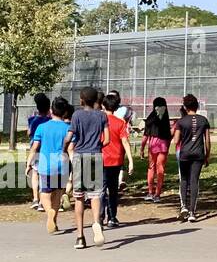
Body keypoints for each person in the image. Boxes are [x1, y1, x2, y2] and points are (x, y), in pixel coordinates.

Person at [65, 87, 108, 249]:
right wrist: (97, 146)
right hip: (95, 155)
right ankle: (97, 222)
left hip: (79, 156)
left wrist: (64, 148)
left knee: (79, 197)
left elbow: (69, 136)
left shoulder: (77, 115)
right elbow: (107, 139)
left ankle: (80, 236)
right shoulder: (101, 115)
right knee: (95, 194)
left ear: (82, 100)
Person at [29, 97, 72, 235]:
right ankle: (55, 222)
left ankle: (49, 214)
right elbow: (71, 149)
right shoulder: (68, 129)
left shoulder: (42, 127)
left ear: (51, 110)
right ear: (65, 112)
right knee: (57, 194)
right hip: (62, 165)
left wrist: (29, 163)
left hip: (46, 165)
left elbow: (34, 147)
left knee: (45, 193)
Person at [99, 91, 134, 228]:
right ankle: (112, 217)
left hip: (100, 158)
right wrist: (130, 160)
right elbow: (125, 141)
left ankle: (99, 217)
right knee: (113, 189)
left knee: (100, 189)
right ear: (116, 107)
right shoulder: (120, 122)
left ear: (103, 105)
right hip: (115, 160)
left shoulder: (99, 120)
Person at [174, 94, 211, 223]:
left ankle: (183, 206)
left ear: (185, 107)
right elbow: (207, 140)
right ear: (197, 106)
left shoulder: (181, 121)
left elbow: (176, 140)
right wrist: (207, 155)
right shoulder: (203, 120)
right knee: (194, 181)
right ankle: (192, 212)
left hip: (184, 154)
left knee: (184, 180)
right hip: (198, 154)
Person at [140, 98, 171, 202]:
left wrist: (142, 149)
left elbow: (145, 135)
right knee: (160, 168)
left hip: (153, 145)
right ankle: (157, 194)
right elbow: (169, 135)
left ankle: (150, 192)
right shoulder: (166, 118)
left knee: (151, 167)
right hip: (164, 145)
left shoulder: (151, 118)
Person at [25, 93, 52, 211]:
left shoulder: (32, 119)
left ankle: (35, 199)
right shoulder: (50, 121)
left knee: (35, 174)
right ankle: (42, 200)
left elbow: (29, 132)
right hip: (46, 150)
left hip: (35, 149)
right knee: (44, 176)